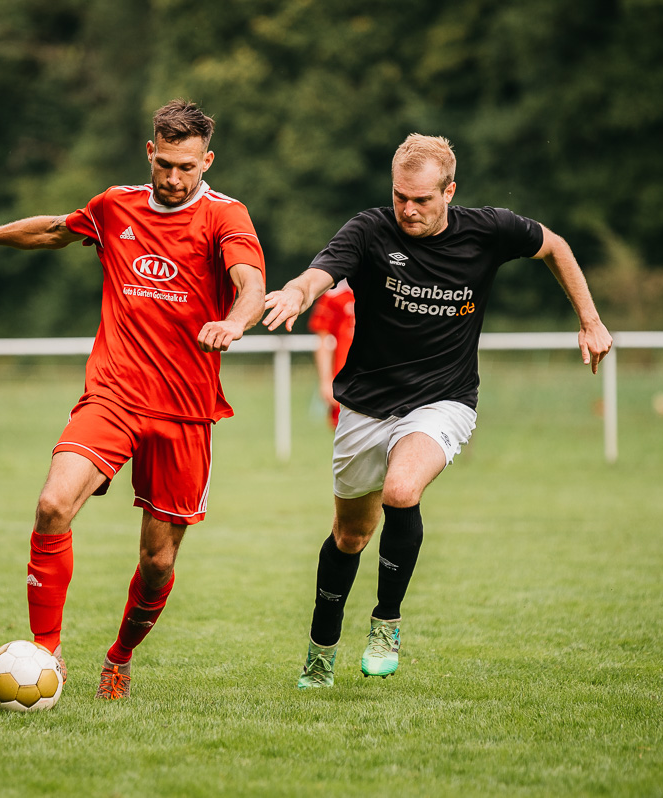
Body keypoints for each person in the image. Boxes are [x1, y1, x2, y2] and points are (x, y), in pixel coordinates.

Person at [0, 100, 266, 701]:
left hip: (185, 410)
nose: (174, 178)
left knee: (159, 561)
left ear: (207, 161)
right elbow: (54, 231)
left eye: (187, 167)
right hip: (113, 394)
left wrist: (237, 321)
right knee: (51, 505)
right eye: (165, 163)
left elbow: (250, 281)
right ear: (150, 152)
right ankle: (47, 653)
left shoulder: (226, 216)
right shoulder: (115, 205)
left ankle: (119, 656)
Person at [262, 134, 612, 688]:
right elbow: (320, 274)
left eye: (422, 199)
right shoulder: (370, 230)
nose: (408, 209)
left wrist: (590, 320)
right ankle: (320, 651)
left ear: (450, 191)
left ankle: (386, 623)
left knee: (403, 491)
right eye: (401, 196)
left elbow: (556, 246)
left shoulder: (488, 230)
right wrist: (296, 292)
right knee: (350, 536)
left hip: (443, 400)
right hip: (365, 406)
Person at [307, 280, 355, 428]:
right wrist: (325, 380)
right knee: (347, 440)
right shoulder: (335, 295)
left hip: (382, 378)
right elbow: (324, 341)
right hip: (346, 380)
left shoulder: (390, 291)